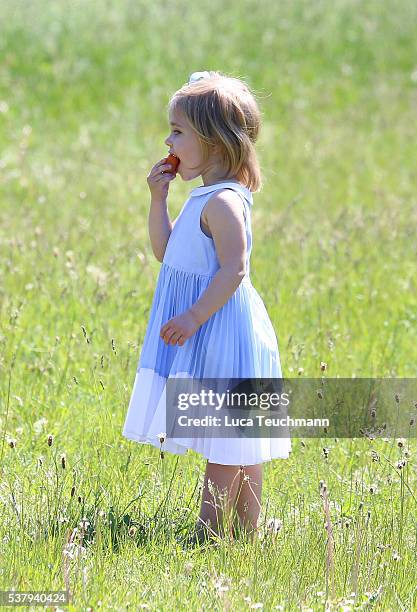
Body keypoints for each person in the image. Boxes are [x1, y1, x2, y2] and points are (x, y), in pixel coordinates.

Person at [122, 70, 291, 546]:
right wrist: (159, 199)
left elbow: (234, 269)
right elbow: (166, 251)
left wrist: (195, 315)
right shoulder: (202, 196)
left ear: (214, 143)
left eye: (178, 131)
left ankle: (211, 534)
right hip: (214, 328)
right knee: (239, 438)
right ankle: (245, 533)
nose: (167, 139)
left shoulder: (223, 202)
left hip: (224, 330)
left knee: (228, 440)